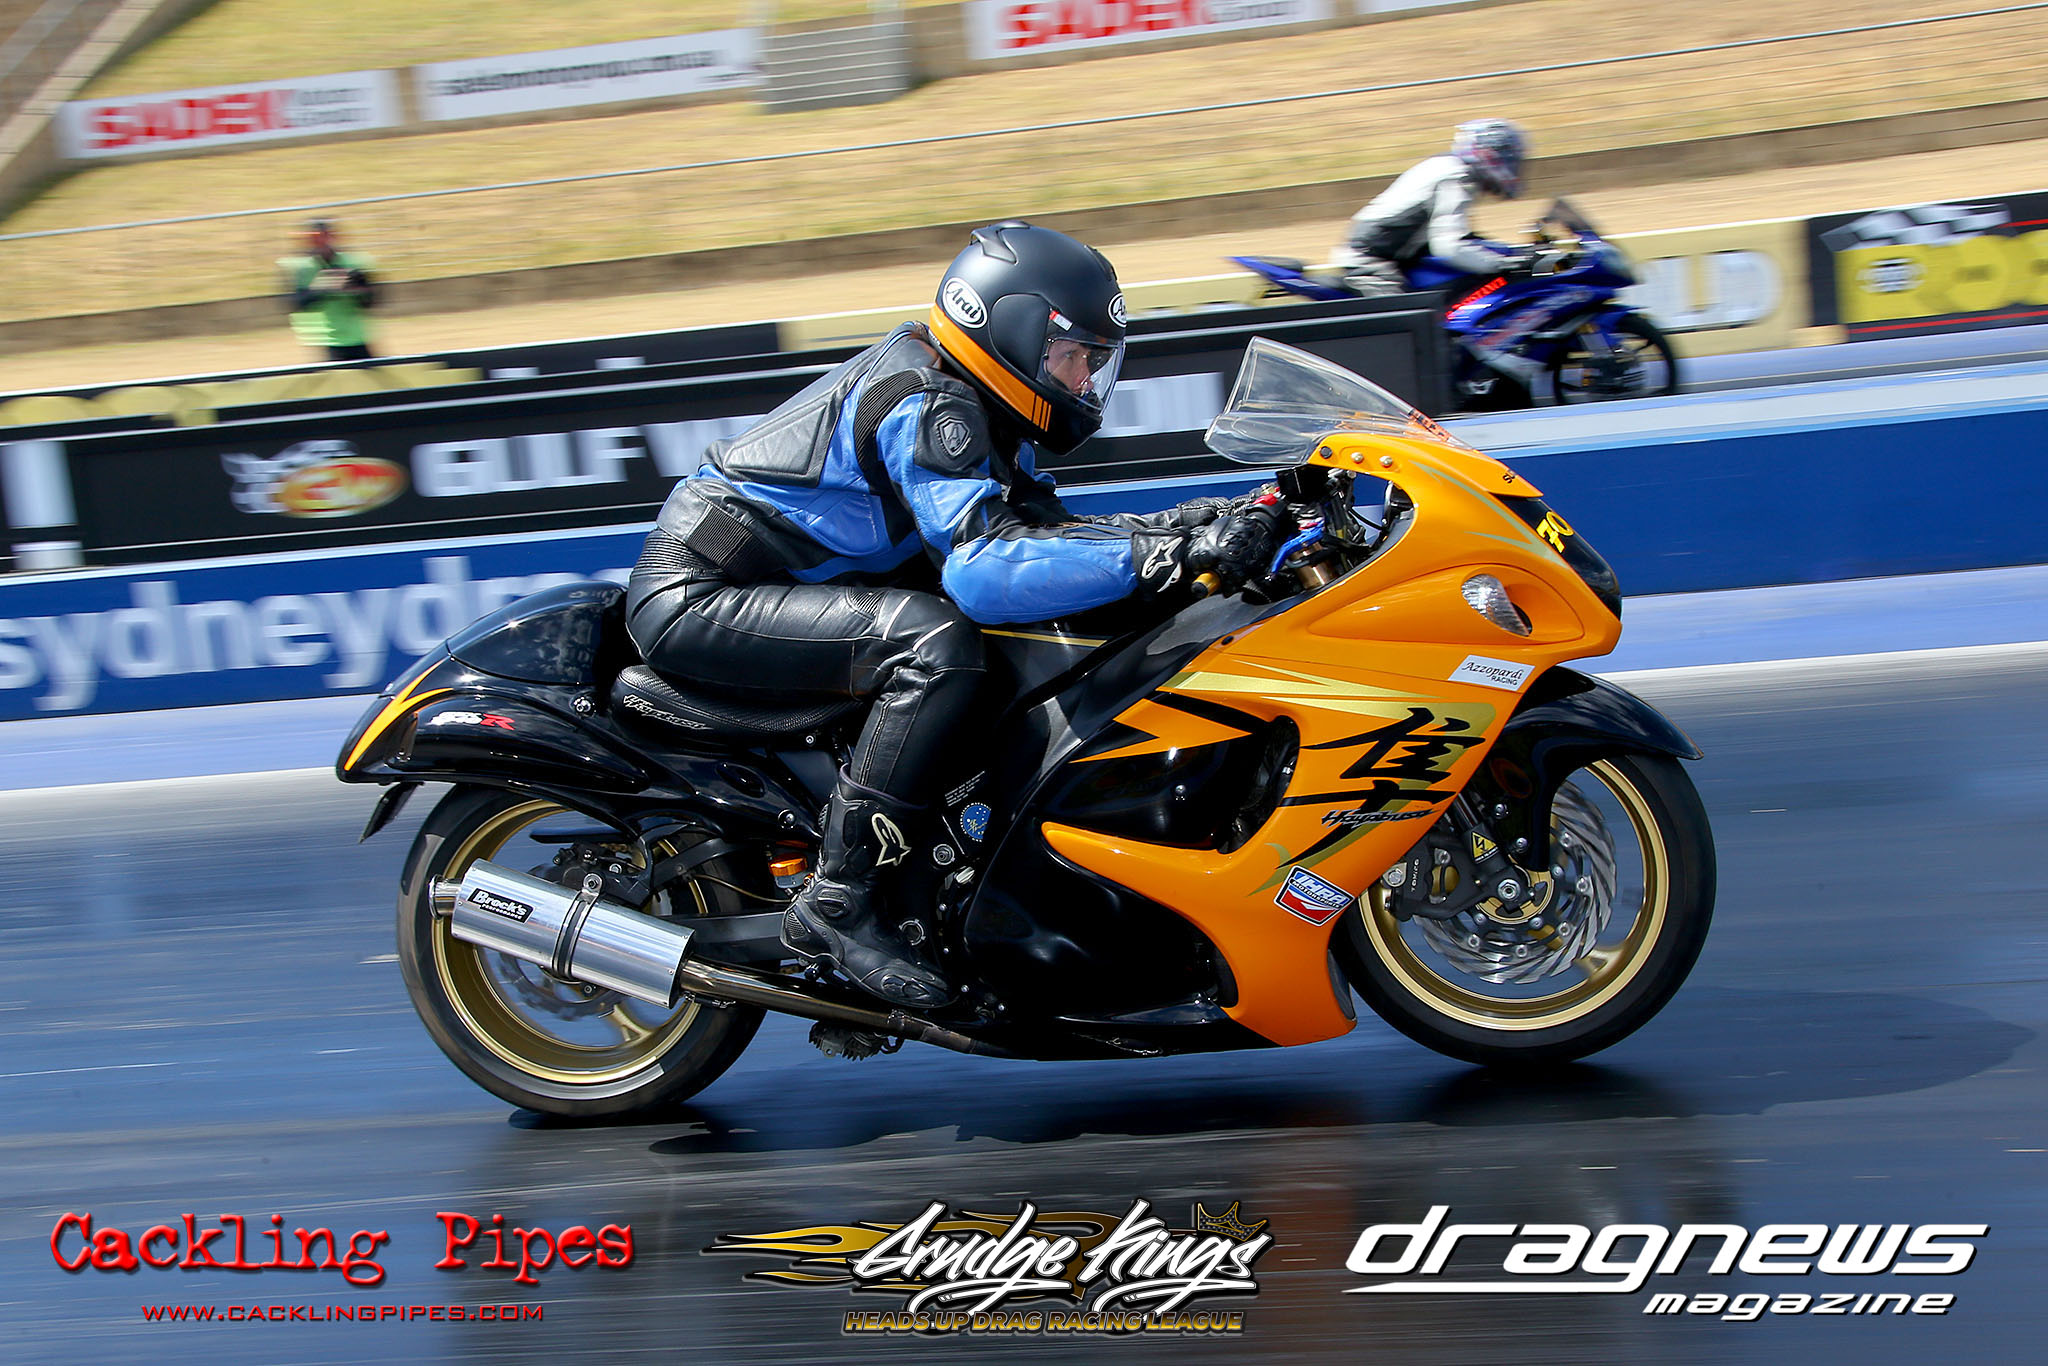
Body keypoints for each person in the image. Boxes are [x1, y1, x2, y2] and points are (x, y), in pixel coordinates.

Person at [625, 221, 1279, 1010]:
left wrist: (1197, 525)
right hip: (703, 595)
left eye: (1095, 361)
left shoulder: (982, 401)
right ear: (1012, 331)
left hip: (776, 586)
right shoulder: (930, 402)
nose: (1083, 378)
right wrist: (1163, 552)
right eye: (1072, 355)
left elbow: (1047, 539)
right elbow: (983, 571)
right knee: (934, 646)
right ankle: (839, 904)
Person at [1334, 118, 1533, 297]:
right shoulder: (1455, 177)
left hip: (1403, 256)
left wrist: (1512, 253)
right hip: (1372, 261)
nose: (1513, 166)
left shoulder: (1449, 166)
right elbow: (1448, 246)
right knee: (1414, 319)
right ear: (1488, 154)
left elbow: (1458, 236)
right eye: (1509, 159)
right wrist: (1499, 264)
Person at [279, 220, 378, 362]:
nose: (322, 242)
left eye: (325, 236)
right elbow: (294, 304)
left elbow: (371, 301)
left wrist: (358, 289)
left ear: (334, 237)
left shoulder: (353, 262)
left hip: (356, 336)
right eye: (315, 238)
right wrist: (322, 288)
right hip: (323, 341)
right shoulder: (301, 268)